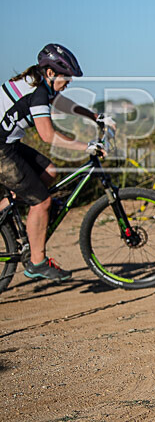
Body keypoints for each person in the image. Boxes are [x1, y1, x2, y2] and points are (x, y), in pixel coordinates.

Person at [0, 44, 113, 281]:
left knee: (49, 171)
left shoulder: (39, 82)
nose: (69, 82)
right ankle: (37, 263)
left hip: (8, 144)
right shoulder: (38, 92)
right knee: (42, 202)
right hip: (2, 149)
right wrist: (86, 146)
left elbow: (61, 103)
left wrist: (94, 116)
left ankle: (9, 210)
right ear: (51, 72)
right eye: (66, 77)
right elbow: (48, 136)